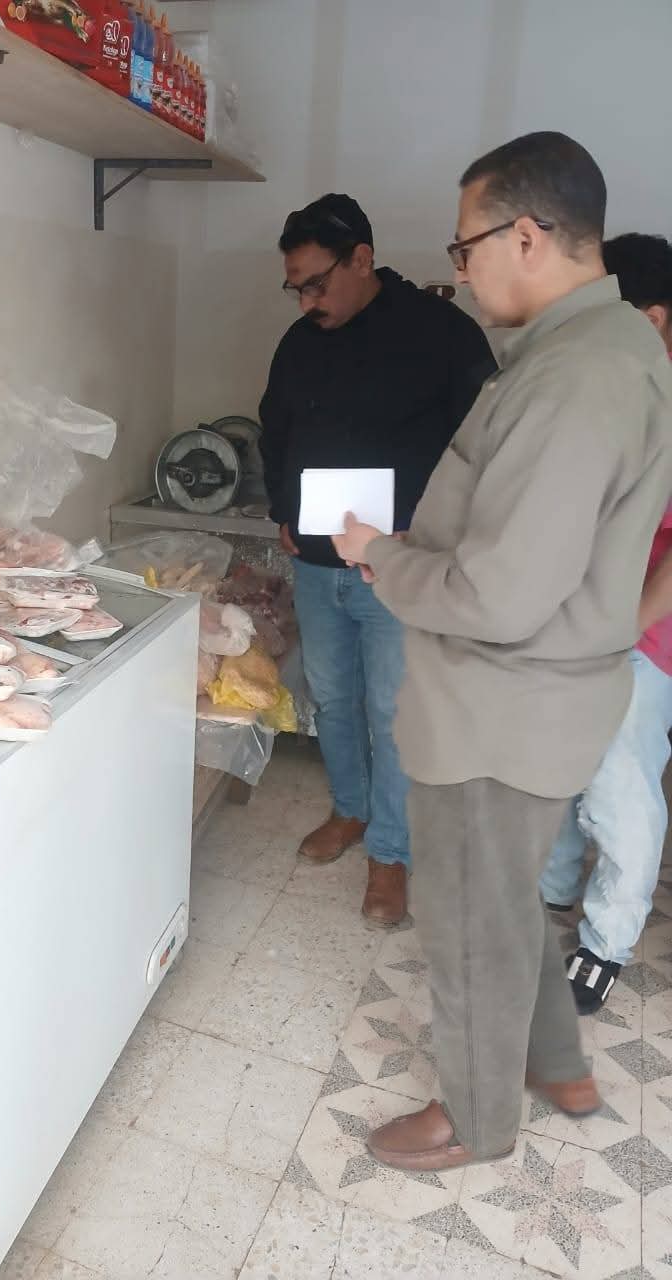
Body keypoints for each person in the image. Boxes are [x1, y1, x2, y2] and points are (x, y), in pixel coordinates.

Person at [332, 132, 672, 1170]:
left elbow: (500, 592)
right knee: (507, 900)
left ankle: (476, 1122)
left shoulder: (575, 376)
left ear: (525, 236)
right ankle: (558, 1064)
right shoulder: (601, 349)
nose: (462, 270)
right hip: (531, 700)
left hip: (500, 710)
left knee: (471, 923)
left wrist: (382, 555)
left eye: (465, 246)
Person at [258, 193, 495, 927]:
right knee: (333, 697)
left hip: (402, 565)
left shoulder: (442, 334)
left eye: (316, 283)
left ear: (361, 259)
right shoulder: (301, 341)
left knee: (394, 709)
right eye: (295, 287)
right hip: (316, 563)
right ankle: (351, 811)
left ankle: (391, 852)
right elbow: (274, 426)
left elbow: (485, 445)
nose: (307, 301)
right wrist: (283, 510)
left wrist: (444, 533)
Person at [541, 233, 672, 1013]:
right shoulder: (624, 392)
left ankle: (605, 942)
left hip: (643, 635)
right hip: (583, 618)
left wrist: (624, 627)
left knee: (622, 788)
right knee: (558, 763)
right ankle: (554, 886)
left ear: (650, 319)